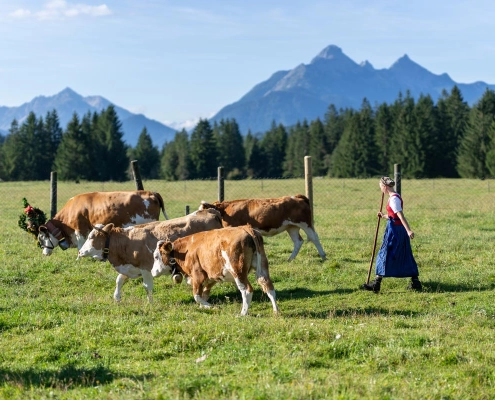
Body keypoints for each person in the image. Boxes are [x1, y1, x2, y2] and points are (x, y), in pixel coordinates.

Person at [362, 176, 422, 293]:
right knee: (404, 254)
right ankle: (415, 282)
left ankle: (376, 283)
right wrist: (384, 216)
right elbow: (393, 216)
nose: (381, 190)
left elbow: (400, 215)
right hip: (395, 227)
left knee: (384, 254)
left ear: (385, 187)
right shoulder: (394, 197)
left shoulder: (394, 199)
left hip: (396, 231)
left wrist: (408, 230)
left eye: (381, 187)